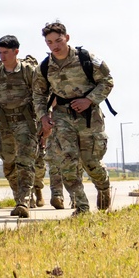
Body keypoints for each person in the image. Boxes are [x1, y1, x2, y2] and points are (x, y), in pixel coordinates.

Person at [32, 21, 113, 214]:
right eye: (50, 42)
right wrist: (43, 116)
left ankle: (103, 187)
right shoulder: (44, 67)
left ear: (67, 38)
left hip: (89, 116)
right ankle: (82, 207)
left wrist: (89, 100)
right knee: (67, 162)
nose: (55, 46)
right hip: (62, 116)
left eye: (58, 40)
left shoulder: (87, 58)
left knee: (90, 161)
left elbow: (107, 81)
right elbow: (38, 94)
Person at [0, 35, 40, 218]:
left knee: (25, 162)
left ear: (16, 52)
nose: (2, 56)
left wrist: (45, 118)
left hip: (26, 121)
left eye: (6, 52)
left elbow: (41, 94)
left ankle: (23, 201)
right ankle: (21, 197)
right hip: (5, 123)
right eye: (0, 52)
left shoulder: (29, 71)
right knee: (8, 165)